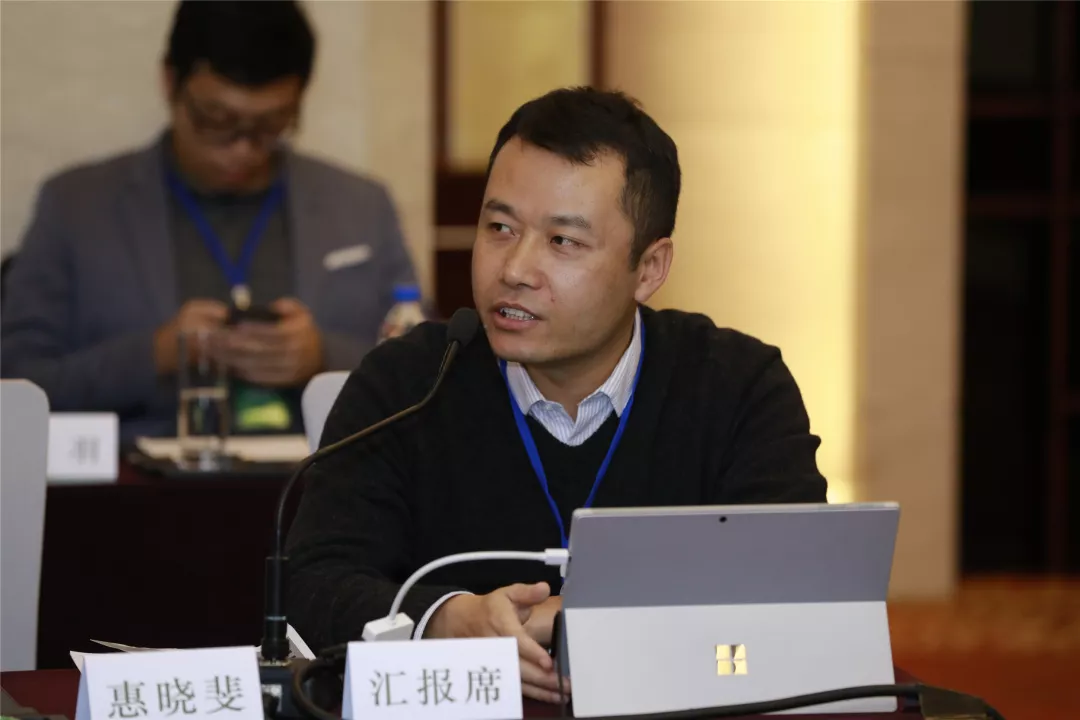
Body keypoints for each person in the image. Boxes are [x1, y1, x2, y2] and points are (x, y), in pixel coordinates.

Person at [285, 87, 827, 703]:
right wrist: (442, 621)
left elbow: (795, 587)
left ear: (649, 269)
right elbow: (311, 583)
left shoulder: (736, 387)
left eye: (563, 241)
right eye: (499, 227)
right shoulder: (407, 385)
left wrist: (577, 618)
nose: (514, 269)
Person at [0, 1, 417, 441]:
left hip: (324, 475)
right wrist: (153, 356)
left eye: (270, 125)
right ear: (170, 82)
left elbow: (427, 370)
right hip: (139, 476)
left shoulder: (361, 205)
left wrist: (324, 358)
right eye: (216, 120)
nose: (242, 149)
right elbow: (18, 381)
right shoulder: (77, 206)